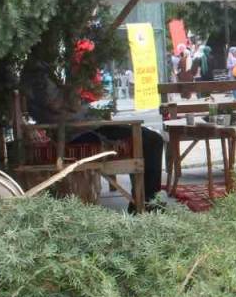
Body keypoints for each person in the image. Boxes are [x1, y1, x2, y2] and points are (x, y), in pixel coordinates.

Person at [21, 63, 164, 213]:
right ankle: (149, 205)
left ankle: (145, 202)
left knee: (150, 138)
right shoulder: (36, 75)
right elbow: (62, 104)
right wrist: (77, 90)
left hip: (83, 126)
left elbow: (66, 104)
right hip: (77, 132)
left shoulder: (41, 71)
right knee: (151, 140)